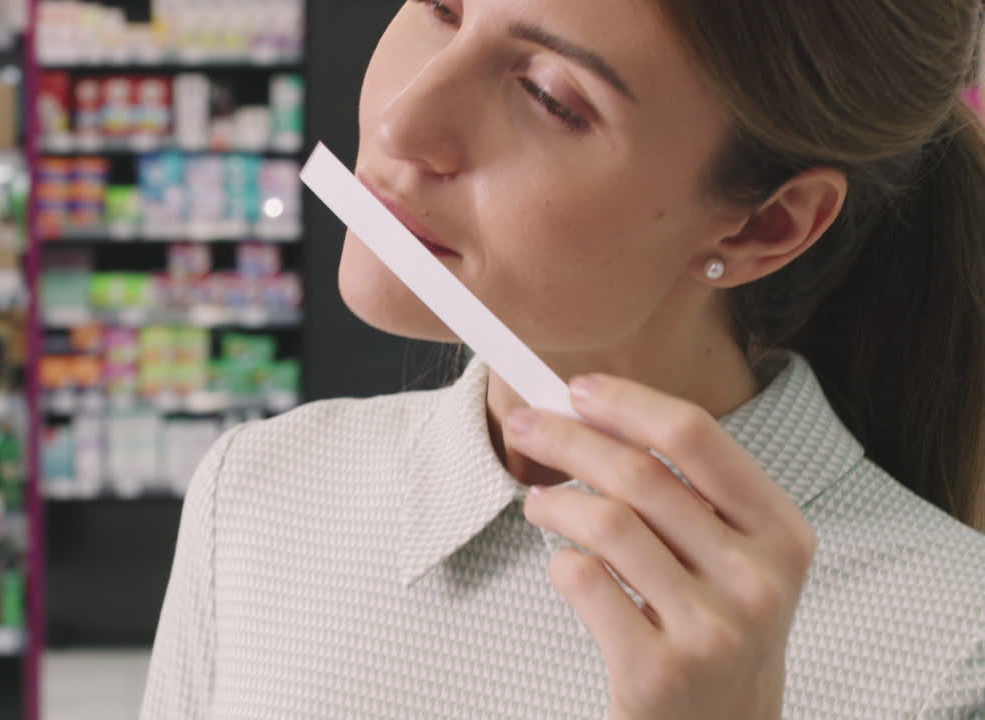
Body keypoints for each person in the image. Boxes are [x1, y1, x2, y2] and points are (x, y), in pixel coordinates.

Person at [141, 0, 985, 717]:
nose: (404, 122)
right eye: (441, 6)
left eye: (550, 97)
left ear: (766, 226)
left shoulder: (954, 652)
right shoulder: (256, 495)